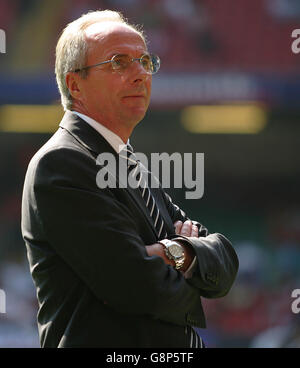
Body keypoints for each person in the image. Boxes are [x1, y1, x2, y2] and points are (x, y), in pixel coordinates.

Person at [21, 10, 239, 348]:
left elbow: (223, 264)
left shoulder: (128, 162)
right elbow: (139, 289)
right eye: (119, 63)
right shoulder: (62, 163)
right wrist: (190, 261)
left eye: (144, 61)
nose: (140, 74)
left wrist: (172, 251)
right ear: (74, 83)